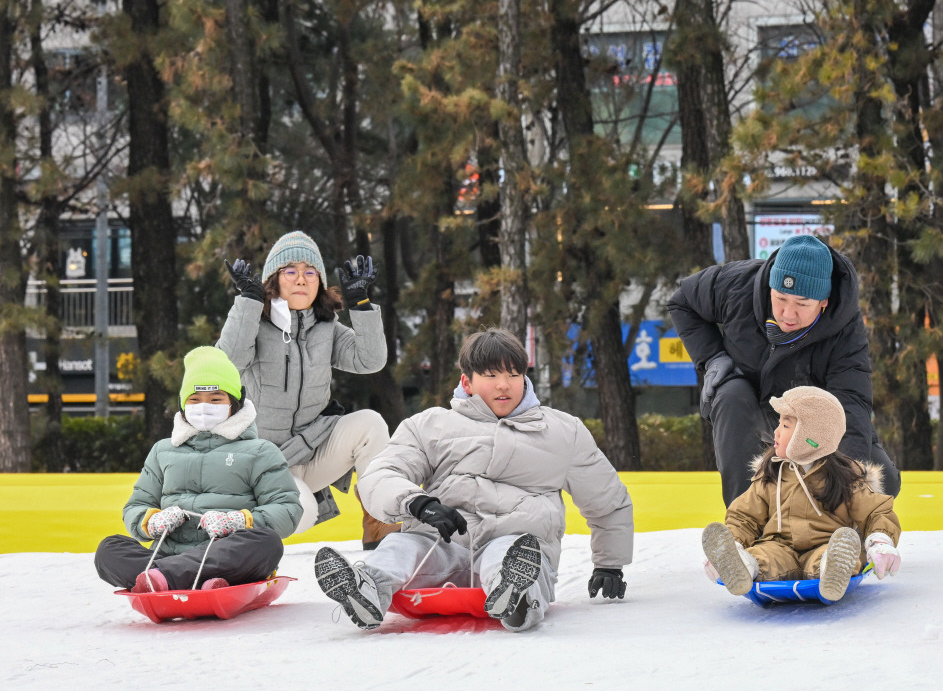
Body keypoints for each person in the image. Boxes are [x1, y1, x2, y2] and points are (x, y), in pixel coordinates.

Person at [313, 328, 634, 632]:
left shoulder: (562, 431)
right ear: (467, 381)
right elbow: (380, 475)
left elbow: (606, 498)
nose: (504, 385)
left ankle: (516, 595)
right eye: (491, 376)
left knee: (511, 552)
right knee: (400, 545)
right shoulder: (431, 426)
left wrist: (610, 563)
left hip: (515, 538)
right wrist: (418, 503)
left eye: (513, 374)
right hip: (440, 542)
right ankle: (366, 590)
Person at [668, 233, 901, 506]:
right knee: (729, 393)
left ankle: (823, 519)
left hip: (811, 420)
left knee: (883, 481)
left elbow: (849, 404)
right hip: (750, 403)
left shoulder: (845, 330)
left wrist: (845, 490)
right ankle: (746, 518)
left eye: (802, 304)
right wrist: (712, 357)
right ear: (770, 286)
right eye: (780, 298)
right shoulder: (737, 284)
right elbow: (682, 300)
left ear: (823, 301)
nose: (788, 314)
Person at [216, 230, 395, 547]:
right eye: (290, 271)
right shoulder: (255, 324)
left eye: (310, 272)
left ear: (320, 282)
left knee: (370, 424)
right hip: (263, 465)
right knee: (298, 513)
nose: (301, 279)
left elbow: (370, 360)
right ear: (275, 280)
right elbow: (227, 362)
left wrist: (361, 304)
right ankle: (245, 534)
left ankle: (380, 523)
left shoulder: (328, 328)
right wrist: (248, 301)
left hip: (311, 452)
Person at [94, 347, 302, 592]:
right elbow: (136, 505)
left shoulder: (260, 451)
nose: (204, 407)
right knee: (109, 549)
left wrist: (238, 521)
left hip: (226, 558)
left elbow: (287, 510)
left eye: (216, 399)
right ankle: (179, 578)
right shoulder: (163, 451)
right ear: (183, 405)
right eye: (195, 400)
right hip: (166, 556)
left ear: (234, 404)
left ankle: (163, 579)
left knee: (267, 542)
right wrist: (152, 522)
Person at [700, 386, 901, 603]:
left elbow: (875, 511)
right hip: (778, 545)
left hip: (826, 543)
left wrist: (880, 541)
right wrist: (735, 542)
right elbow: (744, 517)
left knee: (830, 555)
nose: (775, 431)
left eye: (786, 425)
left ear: (810, 437)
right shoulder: (771, 473)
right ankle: (741, 565)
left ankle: (833, 569)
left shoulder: (844, 477)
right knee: (764, 557)